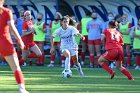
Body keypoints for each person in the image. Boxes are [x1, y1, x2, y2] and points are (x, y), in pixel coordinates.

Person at [0, 0, 29, 93]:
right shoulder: (6, 11)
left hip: (4, 42)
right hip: (4, 42)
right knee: (16, 67)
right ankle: (21, 89)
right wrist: (20, 40)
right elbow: (12, 28)